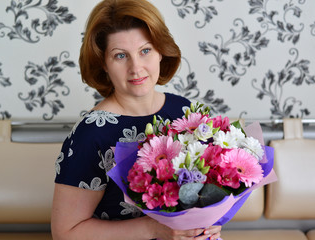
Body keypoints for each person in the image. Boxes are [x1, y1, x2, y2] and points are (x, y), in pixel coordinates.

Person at [51, 0, 222, 239]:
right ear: (104, 64)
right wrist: (154, 228)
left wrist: (207, 222)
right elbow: (65, 233)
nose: (136, 67)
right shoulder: (91, 133)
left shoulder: (186, 112)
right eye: (120, 55)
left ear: (161, 51)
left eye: (145, 50)